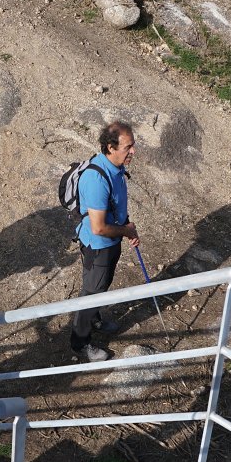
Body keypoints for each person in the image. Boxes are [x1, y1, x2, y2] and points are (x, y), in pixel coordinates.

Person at [69, 120, 139, 364]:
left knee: (101, 284)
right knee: (91, 292)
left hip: (111, 242)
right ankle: (80, 343)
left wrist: (126, 226)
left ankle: (95, 318)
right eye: (128, 147)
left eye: (133, 145)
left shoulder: (115, 167)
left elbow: (115, 205)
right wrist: (126, 231)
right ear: (111, 147)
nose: (133, 151)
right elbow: (98, 228)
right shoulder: (96, 179)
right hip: (98, 246)